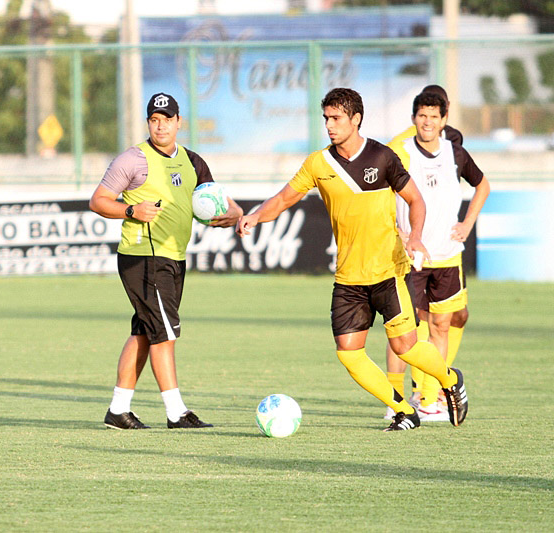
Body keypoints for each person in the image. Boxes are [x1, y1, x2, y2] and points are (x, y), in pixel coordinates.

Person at [236, 87, 468, 431]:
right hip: (348, 277)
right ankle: (403, 409)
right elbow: (285, 198)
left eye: (336, 118)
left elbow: (416, 201)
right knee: (348, 352)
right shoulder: (318, 163)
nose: (330, 125)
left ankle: (450, 379)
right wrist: (256, 215)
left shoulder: (383, 157)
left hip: (389, 271)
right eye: (326, 118)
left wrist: (415, 236)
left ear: (355, 119)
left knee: (405, 346)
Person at [90, 92, 243, 429]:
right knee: (164, 334)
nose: (160, 126)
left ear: (178, 123)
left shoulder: (193, 161)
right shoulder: (132, 160)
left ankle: (118, 410)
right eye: (154, 120)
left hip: (174, 257)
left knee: (147, 331)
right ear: (149, 122)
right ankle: (177, 412)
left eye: (167, 119)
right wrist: (131, 210)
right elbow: (99, 201)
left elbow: (217, 199)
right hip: (142, 256)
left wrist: (234, 214)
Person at [382, 91, 490, 422]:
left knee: (442, 324)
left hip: (446, 255)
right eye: (422, 116)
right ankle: (395, 398)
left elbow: (482, 185)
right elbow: (381, 195)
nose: (427, 122)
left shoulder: (455, 152)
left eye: (434, 117)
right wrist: (400, 234)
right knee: (403, 330)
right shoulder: (400, 152)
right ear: (414, 118)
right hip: (410, 256)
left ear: (444, 120)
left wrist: (467, 223)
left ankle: (429, 399)